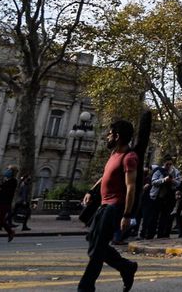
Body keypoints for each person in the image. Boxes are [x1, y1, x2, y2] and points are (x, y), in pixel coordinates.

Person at [79, 119, 139, 292]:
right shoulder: (114, 154)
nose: (107, 137)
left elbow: (131, 187)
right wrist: (92, 190)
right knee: (93, 241)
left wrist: (127, 215)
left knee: (97, 250)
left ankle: (85, 288)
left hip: (114, 207)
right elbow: (104, 176)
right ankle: (126, 267)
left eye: (110, 134)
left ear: (117, 136)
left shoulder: (129, 157)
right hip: (104, 205)